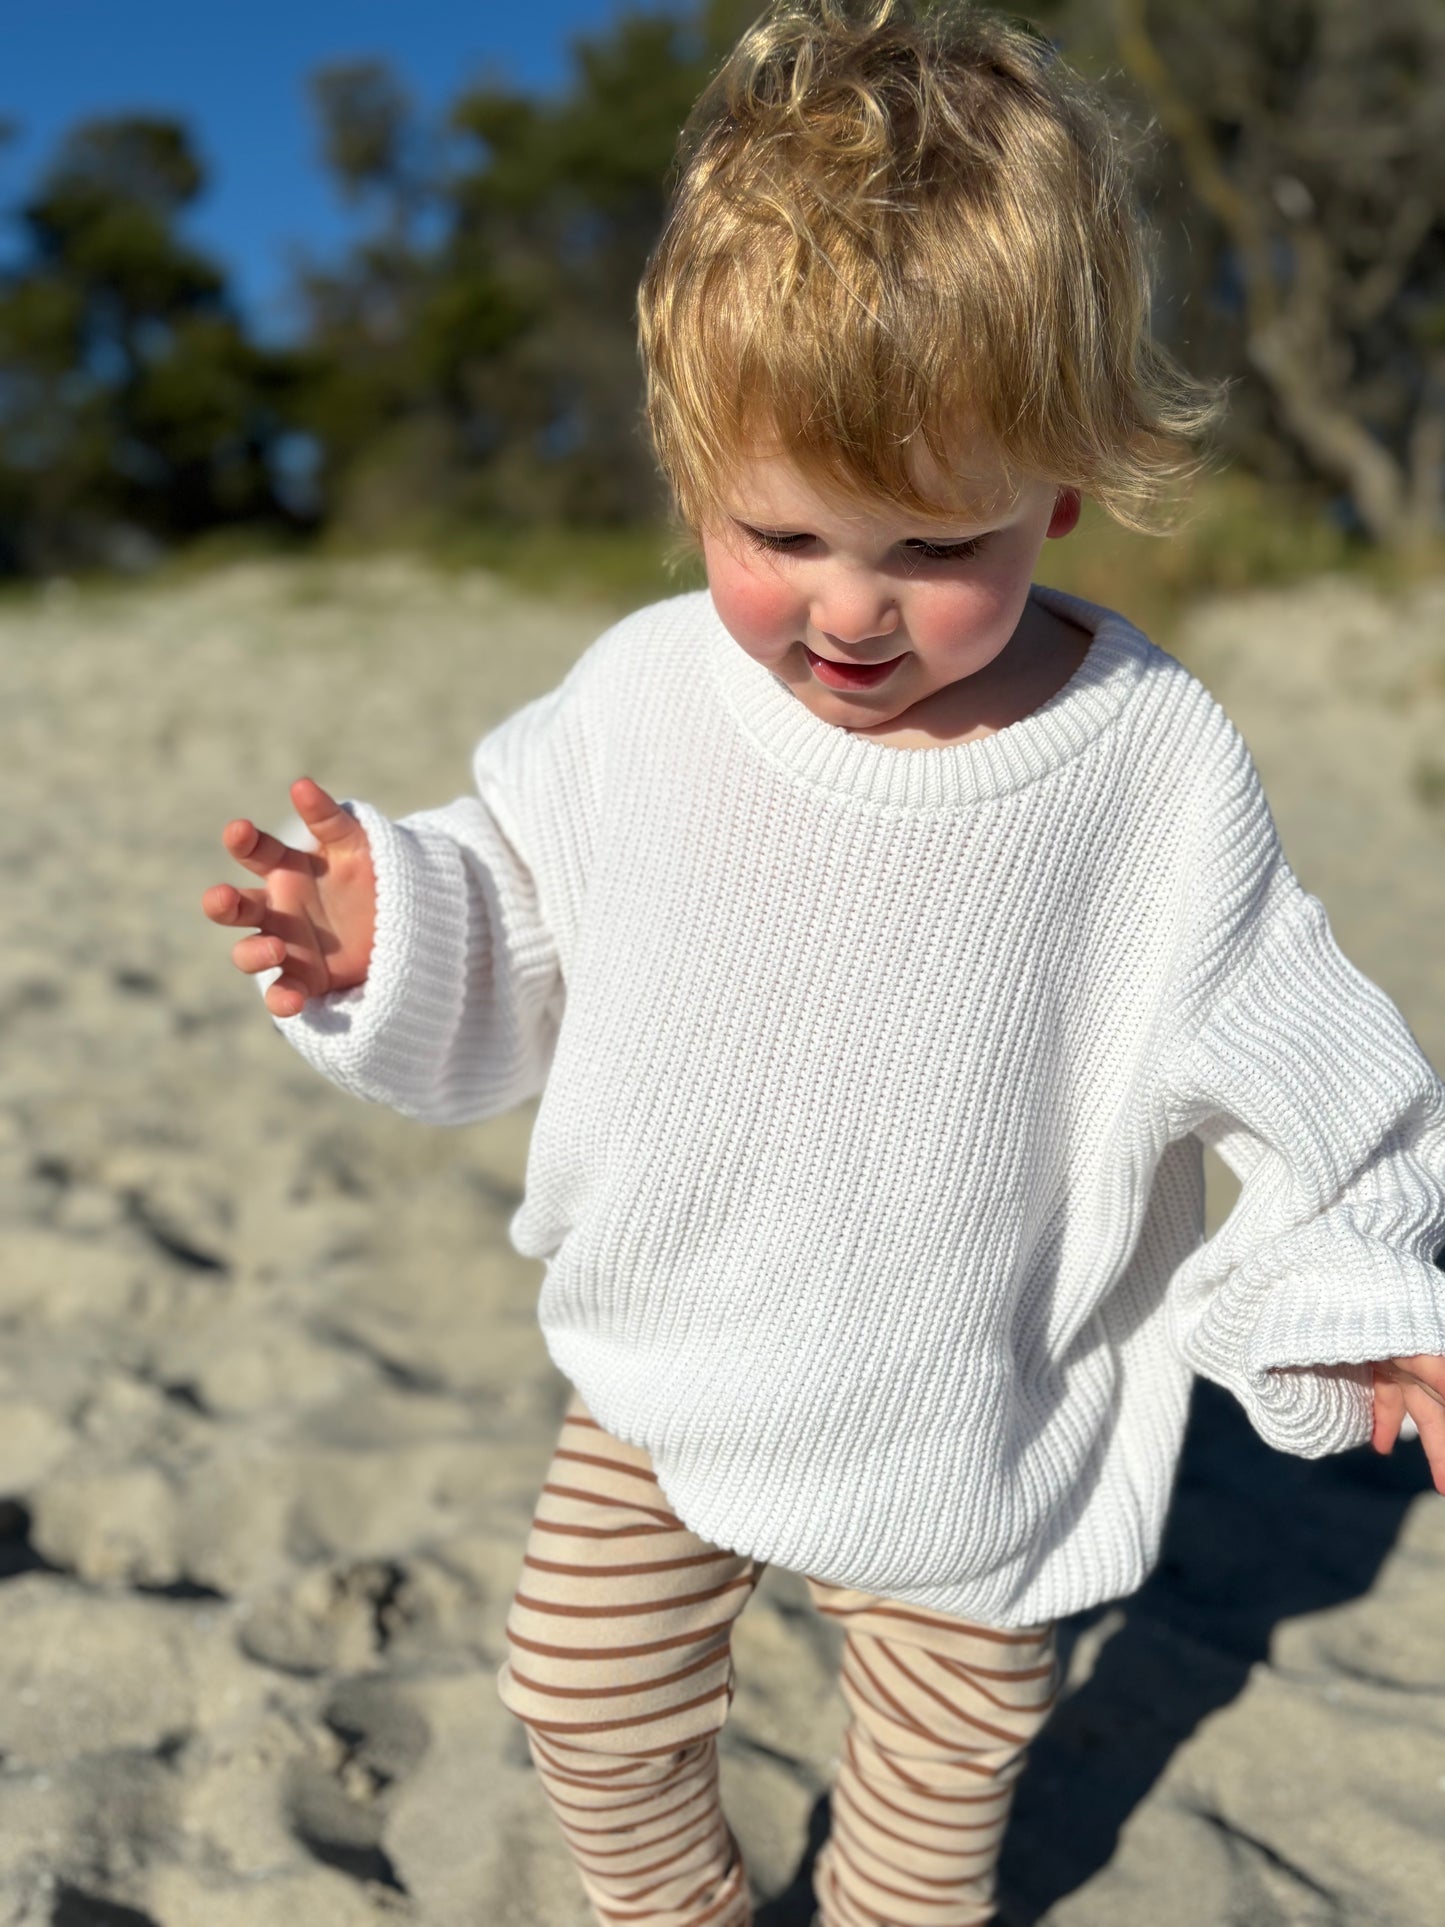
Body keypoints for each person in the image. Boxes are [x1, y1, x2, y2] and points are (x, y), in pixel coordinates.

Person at [200, 3, 1445, 1922]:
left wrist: (1351, 1286)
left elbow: (1293, 1041)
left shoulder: (1143, 759)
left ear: (1059, 486)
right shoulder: (641, 696)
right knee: (581, 1697)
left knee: (932, 1815)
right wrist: (392, 921)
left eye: (932, 542)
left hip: (975, 1403)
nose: (846, 610)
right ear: (691, 466)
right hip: (676, 1358)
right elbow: (526, 905)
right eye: (777, 532)